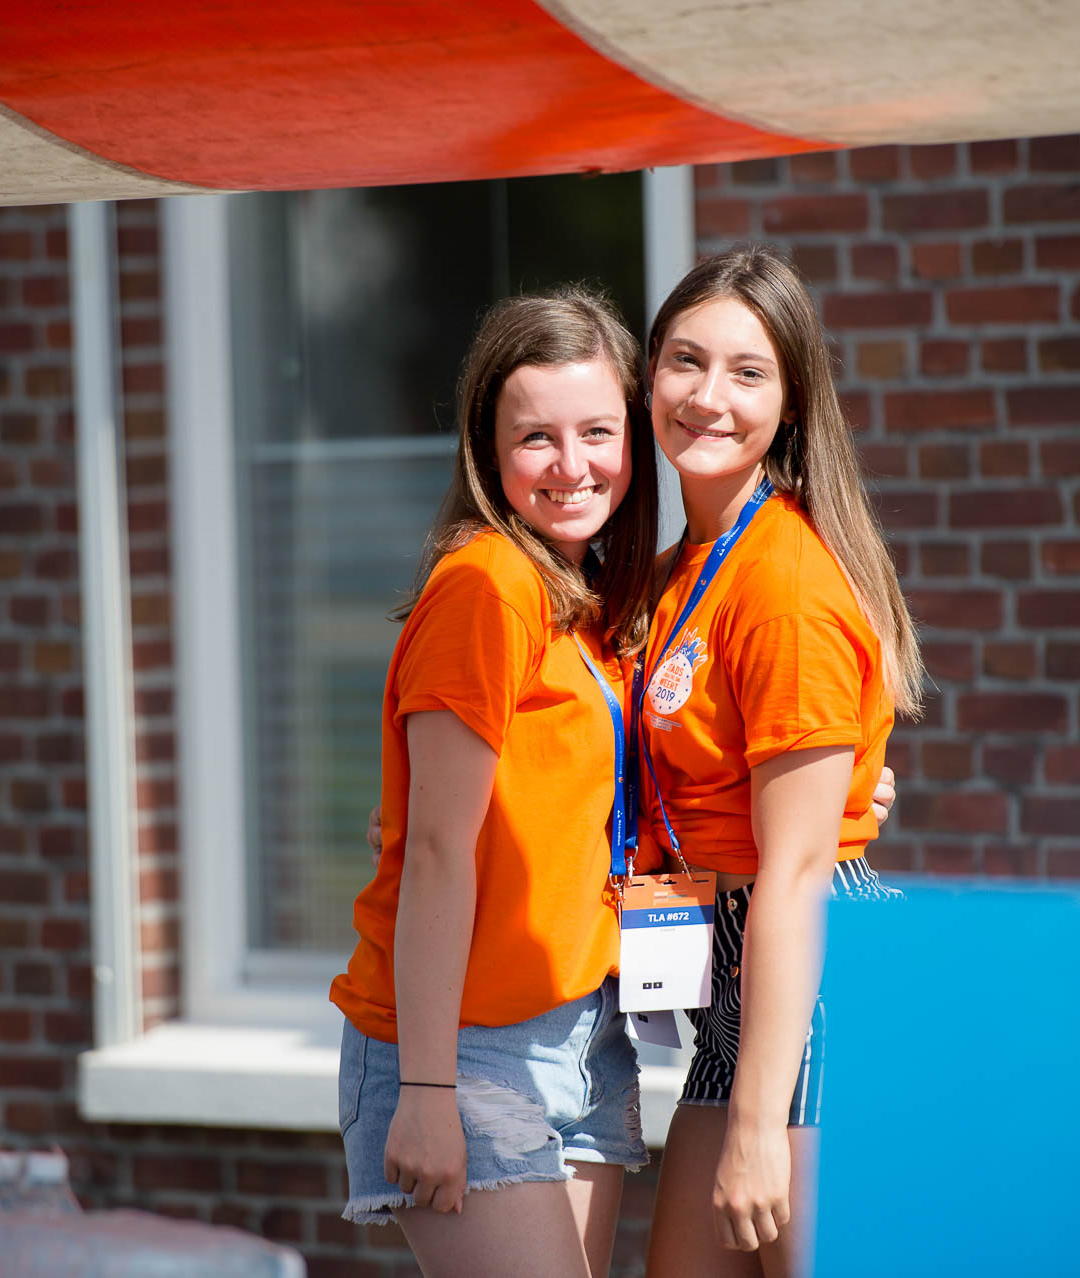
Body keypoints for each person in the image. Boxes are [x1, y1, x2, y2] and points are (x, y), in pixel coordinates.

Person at [329, 286, 662, 1278]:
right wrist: (428, 1090)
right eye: (536, 439)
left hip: (585, 1032)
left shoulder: (589, 597)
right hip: (467, 1049)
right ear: (488, 448)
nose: (572, 465)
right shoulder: (488, 586)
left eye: (597, 432)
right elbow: (438, 851)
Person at [638, 245, 924, 1278]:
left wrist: (760, 1125)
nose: (708, 396)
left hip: (801, 979)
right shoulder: (675, 573)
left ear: (792, 401)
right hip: (726, 982)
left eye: (747, 372)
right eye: (685, 360)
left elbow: (800, 871)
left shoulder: (786, 587)